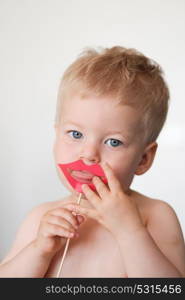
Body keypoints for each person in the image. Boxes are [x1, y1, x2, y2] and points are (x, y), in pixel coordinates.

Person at [0, 46, 185, 277]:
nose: (88, 154)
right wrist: (39, 251)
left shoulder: (154, 215)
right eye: (76, 134)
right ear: (56, 136)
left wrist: (130, 232)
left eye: (113, 142)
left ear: (144, 159)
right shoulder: (40, 218)